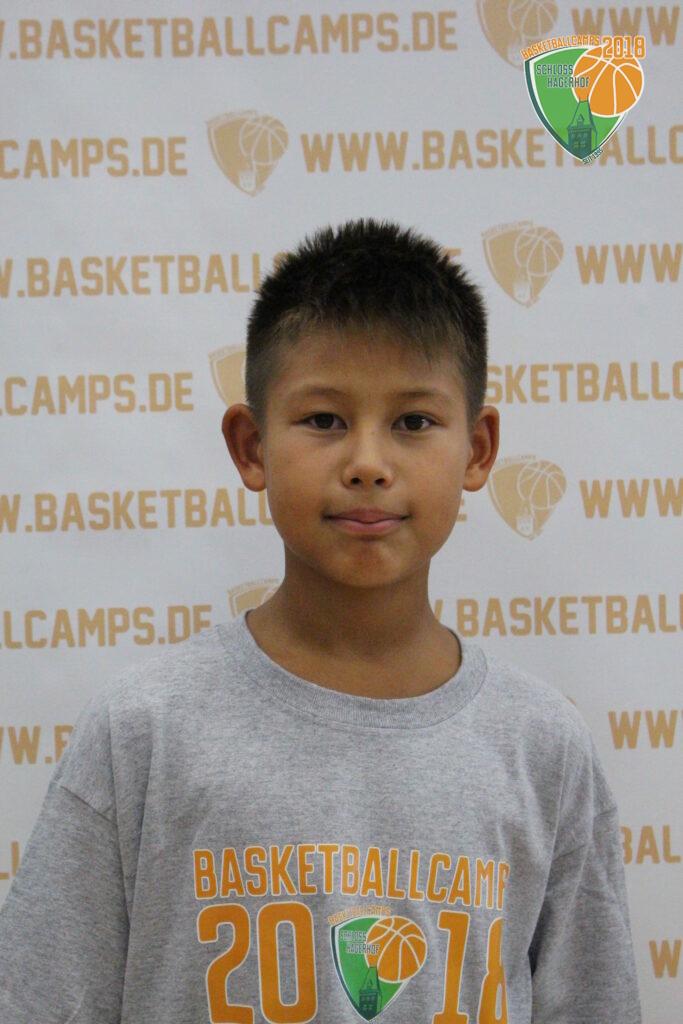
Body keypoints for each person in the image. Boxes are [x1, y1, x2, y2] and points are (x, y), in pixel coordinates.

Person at [0, 220, 640, 1023]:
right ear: (250, 446)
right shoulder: (144, 732)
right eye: (324, 420)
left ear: (478, 451)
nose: (367, 463)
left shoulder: (542, 747)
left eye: (413, 422)